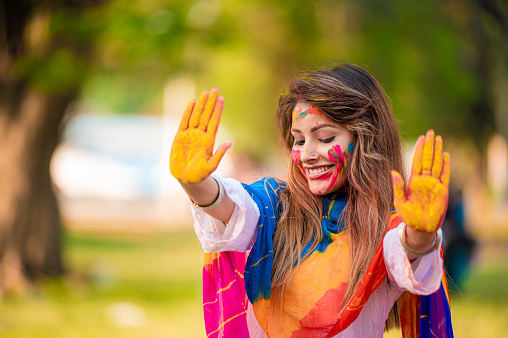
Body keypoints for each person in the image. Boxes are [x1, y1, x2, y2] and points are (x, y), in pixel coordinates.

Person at [169, 64, 454, 337]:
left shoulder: (384, 227)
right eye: (300, 140)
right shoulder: (274, 207)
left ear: (367, 139)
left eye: (326, 138)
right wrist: (195, 184)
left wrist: (421, 232)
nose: (307, 154)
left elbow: (407, 254)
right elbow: (232, 211)